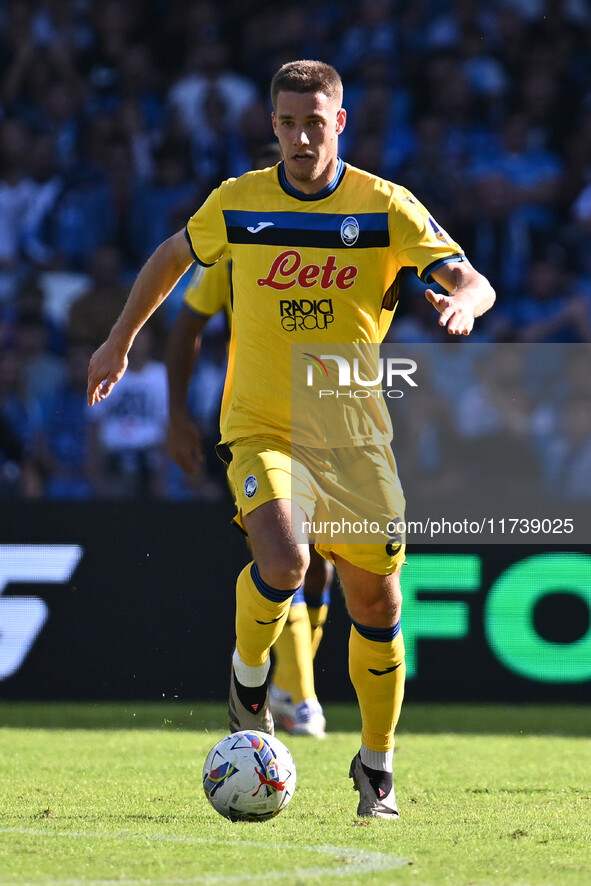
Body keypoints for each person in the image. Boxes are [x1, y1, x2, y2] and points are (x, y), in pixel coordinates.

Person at [88, 60, 495, 818]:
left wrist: (462, 303)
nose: (301, 136)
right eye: (286, 123)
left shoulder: (386, 207)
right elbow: (172, 259)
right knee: (285, 559)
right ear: (271, 125)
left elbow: (471, 276)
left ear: (339, 122)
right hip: (262, 426)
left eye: (315, 122)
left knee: (374, 602)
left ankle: (375, 768)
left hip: (353, 437)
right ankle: (249, 680)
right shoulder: (239, 202)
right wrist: (118, 341)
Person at [165, 145, 332, 738]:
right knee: (283, 553)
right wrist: (177, 415)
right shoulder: (236, 245)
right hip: (257, 416)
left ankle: (288, 689)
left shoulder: (347, 234)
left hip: (333, 419)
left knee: (320, 569)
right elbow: (187, 324)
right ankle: (297, 696)